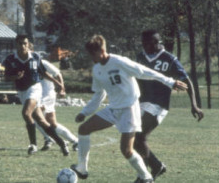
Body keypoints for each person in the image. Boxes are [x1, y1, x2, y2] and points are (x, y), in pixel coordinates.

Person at [70, 35, 188, 183]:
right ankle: (82, 168)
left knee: (126, 150)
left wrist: (170, 82)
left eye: (92, 54)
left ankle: (146, 177)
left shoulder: (119, 62)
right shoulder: (97, 69)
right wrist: (84, 112)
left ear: (101, 50)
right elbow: (99, 94)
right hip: (113, 108)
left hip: (129, 109)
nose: (91, 57)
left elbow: (145, 71)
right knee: (84, 129)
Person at [134, 30, 204, 180]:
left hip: (159, 105)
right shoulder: (140, 57)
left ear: (155, 42)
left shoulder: (169, 59)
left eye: (147, 43)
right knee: (133, 140)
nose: (144, 46)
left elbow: (187, 81)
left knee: (140, 137)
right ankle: (156, 166)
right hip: (140, 103)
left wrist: (194, 105)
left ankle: (144, 176)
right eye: (143, 43)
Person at [3, 34, 69, 156]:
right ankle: (62, 143)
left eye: (25, 43)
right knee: (41, 120)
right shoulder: (10, 59)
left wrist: (58, 83)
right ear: (16, 45)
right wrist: (15, 77)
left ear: (28, 45)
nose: (23, 46)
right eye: (20, 43)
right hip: (22, 91)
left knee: (26, 113)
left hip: (34, 88)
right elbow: (6, 77)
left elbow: (43, 73)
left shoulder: (35, 57)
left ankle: (33, 145)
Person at [36, 59, 78, 152]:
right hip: (38, 95)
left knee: (35, 116)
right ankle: (75, 140)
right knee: (52, 123)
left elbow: (57, 73)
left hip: (47, 94)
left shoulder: (42, 62)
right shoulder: (26, 63)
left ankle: (50, 139)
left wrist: (61, 88)